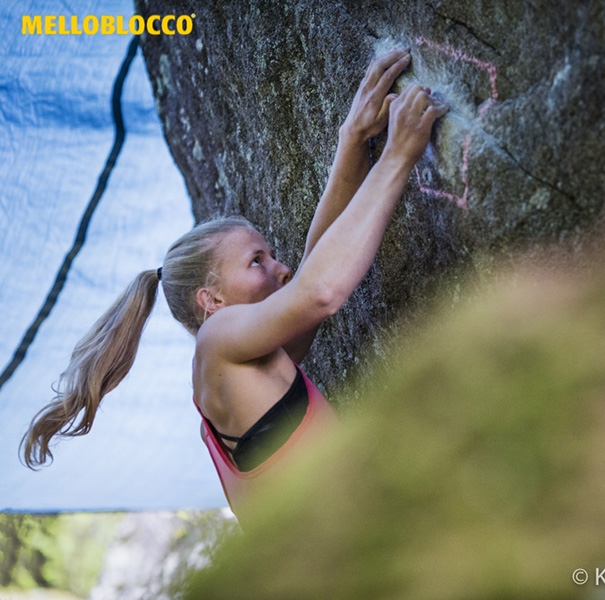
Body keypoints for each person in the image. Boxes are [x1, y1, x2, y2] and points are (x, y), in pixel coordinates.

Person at [20, 48, 449, 518]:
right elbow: (320, 290)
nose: (278, 269)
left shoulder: (247, 365)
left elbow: (312, 265)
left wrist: (354, 137)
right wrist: (398, 155)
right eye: (256, 261)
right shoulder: (217, 341)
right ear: (211, 299)